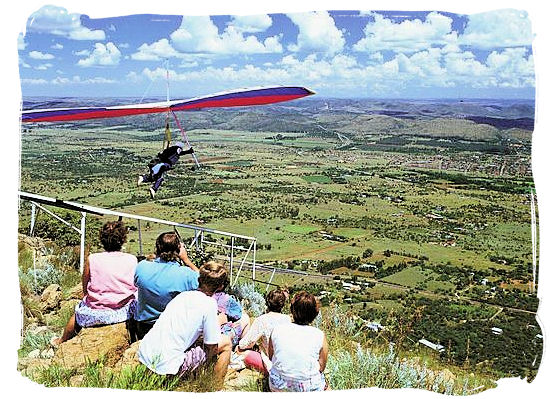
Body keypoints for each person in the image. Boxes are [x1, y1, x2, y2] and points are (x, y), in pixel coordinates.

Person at [138, 261, 233, 387]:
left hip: (145, 356)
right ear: (220, 286)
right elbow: (212, 346)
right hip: (167, 367)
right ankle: (214, 386)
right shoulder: (209, 304)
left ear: (199, 279)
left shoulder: (182, 296)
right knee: (226, 343)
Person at [54, 221, 138, 344]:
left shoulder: (92, 258)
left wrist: (86, 296)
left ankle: (61, 340)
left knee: (77, 313)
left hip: (96, 311)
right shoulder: (132, 259)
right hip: (123, 311)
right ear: (123, 239)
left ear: (102, 240)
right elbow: (135, 283)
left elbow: (85, 282)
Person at [133, 231, 199, 340]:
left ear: (157, 248)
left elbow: (136, 284)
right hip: (172, 328)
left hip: (144, 327)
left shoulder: (142, 267)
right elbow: (206, 282)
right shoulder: (185, 274)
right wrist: (186, 260)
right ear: (179, 250)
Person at [268, 291, 329, 392]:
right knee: (325, 384)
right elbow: (321, 367)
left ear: (292, 310)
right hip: (308, 388)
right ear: (315, 314)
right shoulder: (319, 335)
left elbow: (271, 357)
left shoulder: (277, 329)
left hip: (278, 385)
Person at [237, 288, 291, 375]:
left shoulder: (262, 320)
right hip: (285, 362)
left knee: (240, 351)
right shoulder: (287, 319)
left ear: (267, 303)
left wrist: (239, 345)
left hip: (271, 364)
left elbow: (246, 343)